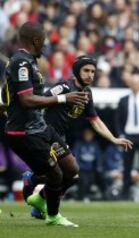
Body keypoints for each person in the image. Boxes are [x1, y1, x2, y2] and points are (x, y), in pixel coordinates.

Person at [23, 55, 133, 218]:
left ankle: (37, 194)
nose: (90, 74)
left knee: (71, 177)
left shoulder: (87, 93)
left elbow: (95, 120)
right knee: (69, 171)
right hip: (46, 134)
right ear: (76, 71)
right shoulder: (64, 86)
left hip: (60, 137)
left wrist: (114, 139)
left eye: (93, 71)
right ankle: (36, 188)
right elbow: (39, 101)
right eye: (86, 70)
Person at [3, 22, 89, 227]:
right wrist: (63, 99)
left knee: (71, 168)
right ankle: (52, 215)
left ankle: (39, 196)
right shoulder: (21, 63)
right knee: (55, 174)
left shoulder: (30, 62)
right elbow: (27, 100)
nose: (46, 45)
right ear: (35, 40)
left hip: (41, 128)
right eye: (44, 41)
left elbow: (11, 95)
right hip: (24, 132)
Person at [115, 73, 139, 199]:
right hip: (129, 136)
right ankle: (125, 193)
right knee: (127, 166)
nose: (135, 85)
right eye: (133, 83)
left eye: (137, 83)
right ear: (129, 84)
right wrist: (120, 134)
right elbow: (118, 120)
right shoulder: (123, 100)